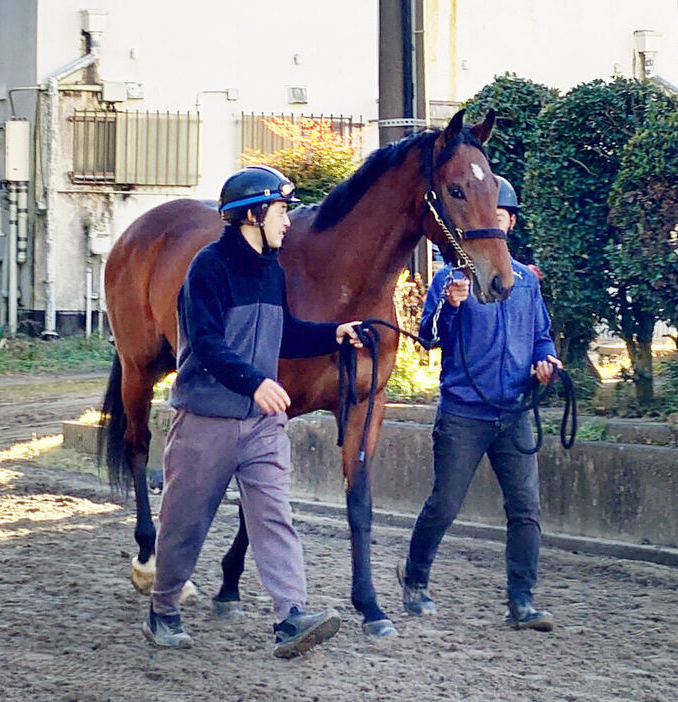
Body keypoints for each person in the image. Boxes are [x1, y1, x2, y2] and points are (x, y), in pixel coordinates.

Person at [144, 165, 363, 657]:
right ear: (254, 213)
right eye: (283, 210)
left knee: (274, 516)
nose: (288, 220)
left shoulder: (271, 270)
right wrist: (255, 381)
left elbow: (283, 329)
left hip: (262, 424)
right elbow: (204, 342)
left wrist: (333, 332)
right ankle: (162, 609)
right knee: (184, 522)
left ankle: (290, 616)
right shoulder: (208, 267)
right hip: (207, 420)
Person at [397, 175, 562, 632]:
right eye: (492, 214)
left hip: (514, 412)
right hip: (464, 413)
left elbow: (541, 335)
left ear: (508, 222)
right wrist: (450, 306)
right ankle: (415, 577)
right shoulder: (452, 278)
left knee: (526, 508)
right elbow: (429, 338)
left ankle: (522, 600)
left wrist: (546, 359)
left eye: (504, 215)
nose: (498, 221)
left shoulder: (526, 281)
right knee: (445, 504)